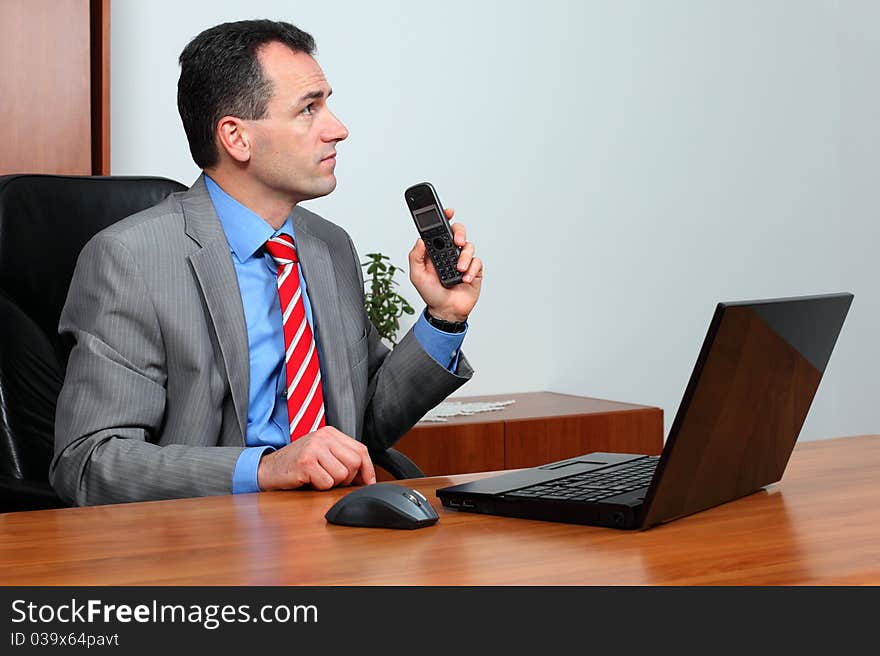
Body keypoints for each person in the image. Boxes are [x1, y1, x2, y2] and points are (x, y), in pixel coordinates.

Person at [50, 19, 483, 506]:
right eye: (309, 109)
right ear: (236, 138)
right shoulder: (131, 259)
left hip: (326, 525)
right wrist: (264, 468)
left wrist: (445, 317)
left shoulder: (329, 247)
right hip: (203, 541)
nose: (337, 129)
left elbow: (365, 423)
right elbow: (89, 462)